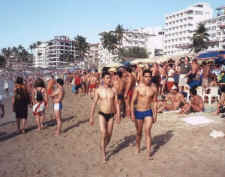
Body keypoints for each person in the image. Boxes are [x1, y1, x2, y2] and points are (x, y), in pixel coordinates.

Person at [89, 72, 120, 162]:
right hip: (102, 114)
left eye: (109, 78)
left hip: (111, 115)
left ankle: (103, 146)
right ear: (103, 79)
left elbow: (117, 103)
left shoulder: (113, 90)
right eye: (107, 78)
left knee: (109, 135)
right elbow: (94, 103)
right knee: (103, 132)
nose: (109, 79)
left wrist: (118, 115)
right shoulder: (98, 90)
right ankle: (103, 154)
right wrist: (91, 117)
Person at [131, 70, 158, 159]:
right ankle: (138, 147)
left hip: (148, 112)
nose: (148, 78)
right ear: (143, 77)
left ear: (151, 77)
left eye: (149, 76)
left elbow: (154, 102)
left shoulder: (153, 89)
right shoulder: (138, 88)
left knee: (148, 132)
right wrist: (132, 113)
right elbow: (132, 102)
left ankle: (148, 153)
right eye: (146, 76)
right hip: (138, 111)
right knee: (139, 133)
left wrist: (155, 115)